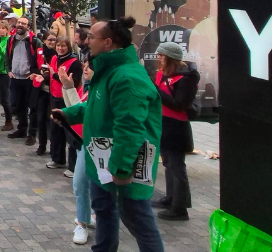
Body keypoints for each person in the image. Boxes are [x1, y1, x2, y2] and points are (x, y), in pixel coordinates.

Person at [56, 17, 164, 252]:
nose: (86, 40)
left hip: (121, 164)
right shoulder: (108, 70)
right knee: (104, 209)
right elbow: (98, 107)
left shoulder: (127, 77)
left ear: (107, 42)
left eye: (91, 37)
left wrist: (122, 168)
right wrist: (69, 114)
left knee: (138, 219)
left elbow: (130, 128)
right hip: (103, 162)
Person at [152, 41, 198, 221]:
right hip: (163, 123)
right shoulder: (162, 74)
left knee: (177, 167)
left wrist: (157, 91)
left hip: (177, 127)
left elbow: (179, 104)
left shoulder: (186, 78)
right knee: (168, 164)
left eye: (162, 55)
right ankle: (170, 198)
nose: (159, 58)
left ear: (171, 58)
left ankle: (180, 208)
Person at [59, 60, 93, 245]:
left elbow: (82, 112)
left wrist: (69, 88)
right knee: (81, 184)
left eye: (89, 66)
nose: (85, 69)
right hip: (85, 142)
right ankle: (84, 219)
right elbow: (76, 109)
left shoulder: (101, 88)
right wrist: (68, 87)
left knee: (83, 184)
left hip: (96, 143)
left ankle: (85, 220)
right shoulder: (89, 88)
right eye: (85, 65)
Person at [47, 37, 82, 173]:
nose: (60, 48)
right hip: (54, 97)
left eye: (63, 46)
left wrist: (55, 75)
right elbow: (51, 76)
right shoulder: (55, 58)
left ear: (69, 47)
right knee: (55, 130)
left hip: (67, 100)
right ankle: (57, 159)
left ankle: (73, 167)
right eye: (58, 46)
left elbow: (75, 81)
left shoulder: (74, 63)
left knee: (71, 132)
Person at [6, 17, 41, 147]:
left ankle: (32, 134)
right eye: (19, 23)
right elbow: (7, 57)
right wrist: (8, 70)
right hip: (15, 78)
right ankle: (21, 129)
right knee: (19, 105)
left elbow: (41, 59)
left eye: (23, 24)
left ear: (28, 27)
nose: (20, 25)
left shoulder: (34, 41)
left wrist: (35, 73)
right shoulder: (11, 40)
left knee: (32, 107)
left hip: (29, 79)